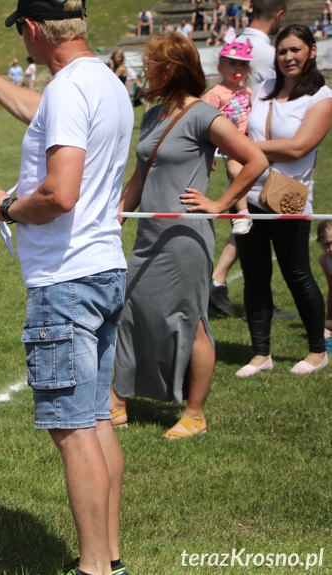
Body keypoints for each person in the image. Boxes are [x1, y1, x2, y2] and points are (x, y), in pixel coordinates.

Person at [0, 1, 133, 572]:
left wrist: (7, 206)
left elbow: (59, 194)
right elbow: (46, 114)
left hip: (68, 282)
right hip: (102, 270)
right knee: (96, 423)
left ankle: (94, 567)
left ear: (31, 29)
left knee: (74, 432)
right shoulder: (100, 80)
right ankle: (110, 560)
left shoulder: (68, 89)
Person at [111, 33, 266, 442]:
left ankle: (194, 414)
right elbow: (143, 174)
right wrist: (120, 214)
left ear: (172, 69)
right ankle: (118, 399)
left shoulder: (203, 115)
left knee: (191, 320)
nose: (147, 73)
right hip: (150, 233)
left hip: (185, 238)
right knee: (131, 309)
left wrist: (220, 204)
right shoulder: (152, 115)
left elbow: (255, 159)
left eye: (153, 65)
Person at [234, 24, 332, 376]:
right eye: (282, 51)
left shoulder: (321, 98)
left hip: (288, 198)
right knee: (255, 275)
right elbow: (242, 129)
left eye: (295, 49)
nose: (288, 57)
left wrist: (244, 147)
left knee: (297, 274)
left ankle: (317, 351)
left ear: (311, 51)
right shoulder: (263, 89)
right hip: (247, 194)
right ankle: (261, 354)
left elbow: (298, 147)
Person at [209, 0, 289, 317]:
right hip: (245, 149)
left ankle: (221, 284)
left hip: (252, 148)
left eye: (243, 68)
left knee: (260, 220)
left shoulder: (245, 83)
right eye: (233, 66)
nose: (239, 71)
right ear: (279, 14)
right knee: (257, 215)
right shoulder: (271, 54)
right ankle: (225, 285)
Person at [202, 41, 255, 235]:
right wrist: (209, 153)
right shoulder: (215, 94)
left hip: (253, 143)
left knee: (242, 174)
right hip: (231, 145)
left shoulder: (249, 92)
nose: (238, 68)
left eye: (243, 64)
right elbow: (203, 123)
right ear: (220, 67)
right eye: (232, 63)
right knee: (236, 171)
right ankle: (242, 214)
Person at [315, 221, 332, 351]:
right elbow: (331, 291)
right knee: (316, 325)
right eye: (326, 244)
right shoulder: (325, 261)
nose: (331, 248)